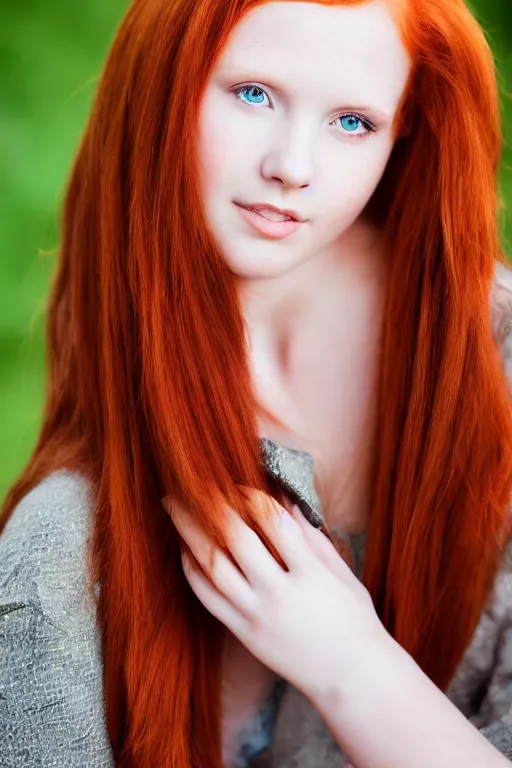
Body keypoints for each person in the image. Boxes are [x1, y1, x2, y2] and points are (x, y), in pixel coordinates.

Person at [2, 0, 512, 765]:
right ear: (165, 84)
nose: (292, 168)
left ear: (405, 128)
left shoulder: (492, 359)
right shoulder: (59, 548)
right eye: (253, 95)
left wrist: (353, 671)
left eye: (352, 123)